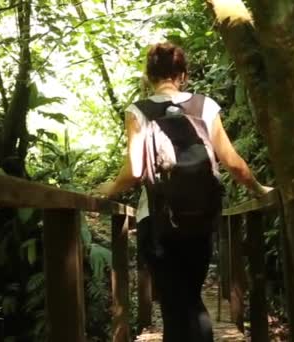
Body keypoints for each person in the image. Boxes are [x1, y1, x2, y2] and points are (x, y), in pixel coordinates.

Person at [95, 42, 271, 342]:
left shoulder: (139, 111)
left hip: (157, 220)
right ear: (184, 75)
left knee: (174, 307)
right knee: (191, 298)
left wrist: (108, 189)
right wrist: (257, 187)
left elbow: (135, 171)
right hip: (199, 218)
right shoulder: (205, 106)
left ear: (148, 76)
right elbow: (232, 162)